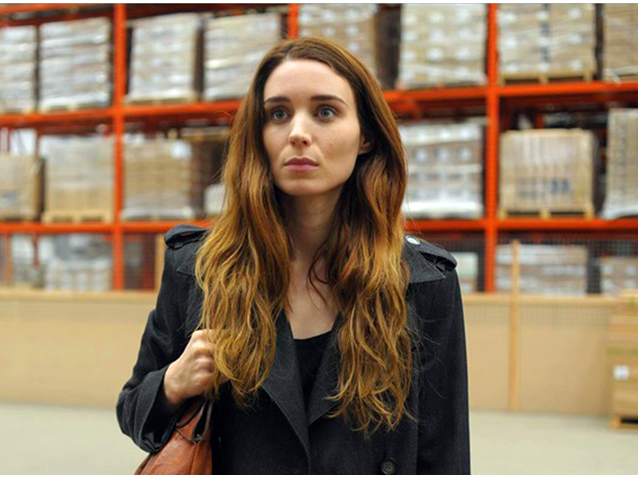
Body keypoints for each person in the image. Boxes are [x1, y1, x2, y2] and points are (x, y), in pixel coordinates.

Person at [117, 36, 469, 474]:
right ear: (259, 133)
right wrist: (174, 382)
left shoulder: (423, 284)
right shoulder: (200, 269)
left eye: (325, 112)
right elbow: (133, 412)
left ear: (366, 136)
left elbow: (444, 457)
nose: (298, 133)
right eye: (278, 114)